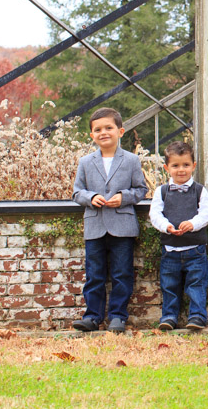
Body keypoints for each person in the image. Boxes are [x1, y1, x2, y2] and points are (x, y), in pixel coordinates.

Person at [71, 107, 148, 333]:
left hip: (122, 226)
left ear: (120, 131)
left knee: (121, 273)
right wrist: (91, 197)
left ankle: (117, 317)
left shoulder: (131, 160)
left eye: (108, 128)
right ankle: (92, 317)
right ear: (92, 135)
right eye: (98, 130)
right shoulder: (85, 162)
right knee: (94, 274)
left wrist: (123, 197)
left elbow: (141, 189)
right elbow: (77, 192)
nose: (103, 133)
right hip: (95, 226)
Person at [148, 141, 208, 331]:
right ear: (167, 168)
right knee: (169, 286)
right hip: (170, 250)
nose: (181, 170)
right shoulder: (161, 191)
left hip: (195, 250)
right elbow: (155, 214)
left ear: (193, 166)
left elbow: (206, 213)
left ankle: (197, 316)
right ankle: (169, 317)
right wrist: (166, 226)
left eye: (185, 165)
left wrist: (192, 224)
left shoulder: (200, 190)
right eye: (175, 166)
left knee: (196, 285)